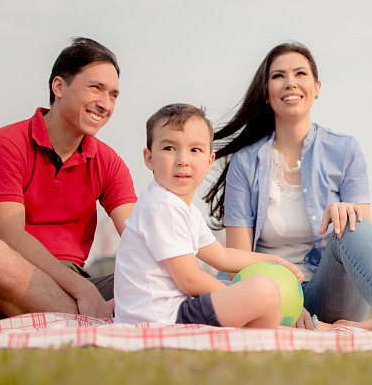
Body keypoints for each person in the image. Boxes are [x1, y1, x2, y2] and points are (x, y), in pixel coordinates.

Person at [204, 42, 372, 332]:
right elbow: (236, 259)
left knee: (351, 219)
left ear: (316, 87)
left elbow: (361, 238)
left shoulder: (345, 149)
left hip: (331, 291)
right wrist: (285, 297)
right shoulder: (244, 163)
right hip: (270, 295)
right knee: (261, 303)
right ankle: (338, 328)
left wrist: (343, 210)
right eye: (278, 76)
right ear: (265, 93)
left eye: (300, 73)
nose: (290, 83)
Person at [0, 37, 138, 331]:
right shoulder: (7, 143)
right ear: (59, 87)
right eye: (95, 88)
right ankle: (101, 324)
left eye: (113, 95)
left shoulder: (108, 162)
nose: (105, 103)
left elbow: (137, 235)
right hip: (8, 272)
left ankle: (75, 319)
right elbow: (9, 235)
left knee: (161, 277)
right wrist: (85, 291)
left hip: (70, 281)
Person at [114, 104, 304, 328]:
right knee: (263, 291)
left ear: (209, 161)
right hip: (161, 318)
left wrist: (275, 260)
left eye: (195, 150)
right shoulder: (162, 206)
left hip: (171, 312)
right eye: (169, 148)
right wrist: (238, 297)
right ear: (149, 158)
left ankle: (260, 333)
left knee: (263, 291)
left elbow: (222, 257)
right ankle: (262, 340)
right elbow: (190, 279)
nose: (182, 160)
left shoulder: (184, 209)